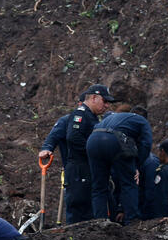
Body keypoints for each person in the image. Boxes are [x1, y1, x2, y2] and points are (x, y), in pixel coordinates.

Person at [57, 84, 114, 223]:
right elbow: (73, 138)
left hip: (88, 167)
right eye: (104, 101)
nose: (107, 106)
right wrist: (94, 153)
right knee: (79, 208)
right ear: (94, 97)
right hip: (79, 168)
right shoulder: (80, 114)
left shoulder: (93, 117)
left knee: (89, 208)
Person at [86, 109, 152, 222]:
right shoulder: (143, 122)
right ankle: (132, 221)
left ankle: (99, 222)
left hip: (92, 140)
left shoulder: (114, 118)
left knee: (99, 187)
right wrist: (136, 166)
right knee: (129, 183)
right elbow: (146, 144)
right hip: (114, 139)